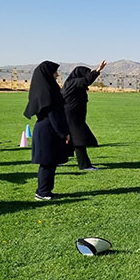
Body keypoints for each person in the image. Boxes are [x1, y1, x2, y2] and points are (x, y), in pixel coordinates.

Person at [24, 61, 71, 201]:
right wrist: (63, 133)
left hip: (48, 128)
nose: (57, 74)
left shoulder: (47, 88)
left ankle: (46, 191)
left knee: (51, 162)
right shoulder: (46, 91)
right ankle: (42, 192)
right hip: (47, 130)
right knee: (47, 163)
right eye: (55, 71)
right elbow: (53, 114)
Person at [62, 60, 107, 170]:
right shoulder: (73, 82)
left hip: (73, 116)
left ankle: (59, 160)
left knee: (70, 139)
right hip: (73, 117)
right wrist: (97, 70)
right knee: (79, 139)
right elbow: (86, 80)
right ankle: (84, 165)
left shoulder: (73, 84)